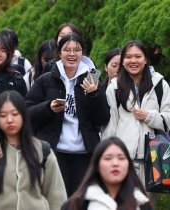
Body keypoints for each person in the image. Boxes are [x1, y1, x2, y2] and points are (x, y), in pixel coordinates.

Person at [25, 33, 110, 197]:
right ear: (59, 53)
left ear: (82, 53)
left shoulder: (91, 79)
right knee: (57, 200)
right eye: (67, 50)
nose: (72, 54)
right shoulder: (46, 80)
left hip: (84, 153)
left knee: (80, 201)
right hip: (54, 152)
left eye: (77, 50)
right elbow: (27, 112)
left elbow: (102, 118)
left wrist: (94, 94)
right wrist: (48, 108)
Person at [0, 90, 67, 210]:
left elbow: (57, 198)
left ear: (23, 115)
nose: (9, 120)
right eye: (3, 115)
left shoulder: (43, 150)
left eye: (15, 114)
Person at [101, 40, 170, 206]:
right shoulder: (114, 88)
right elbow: (110, 127)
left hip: (153, 163)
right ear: (123, 61)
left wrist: (149, 116)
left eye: (138, 56)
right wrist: (105, 158)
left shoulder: (160, 85)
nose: (133, 61)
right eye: (129, 57)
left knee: (146, 207)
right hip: (124, 162)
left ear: (146, 59)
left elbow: (168, 119)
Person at [61, 137, 152, 210]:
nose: (115, 163)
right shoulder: (78, 203)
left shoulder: (141, 203)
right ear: (96, 165)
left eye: (121, 158)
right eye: (108, 158)